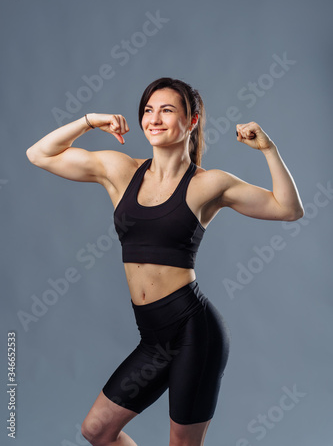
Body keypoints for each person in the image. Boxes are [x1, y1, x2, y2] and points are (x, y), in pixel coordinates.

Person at [26, 77, 304, 446]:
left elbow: (288, 209)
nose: (154, 119)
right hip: (153, 339)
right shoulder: (120, 170)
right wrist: (90, 120)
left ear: (192, 121)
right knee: (97, 431)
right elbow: (39, 154)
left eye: (167, 110)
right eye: (148, 110)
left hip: (194, 332)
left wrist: (268, 149)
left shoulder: (208, 185)